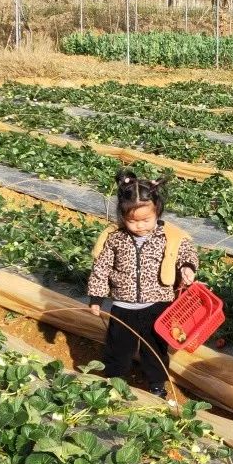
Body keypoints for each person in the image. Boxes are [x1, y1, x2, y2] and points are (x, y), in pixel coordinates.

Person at [87, 169, 199, 398]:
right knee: (118, 350)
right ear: (122, 216)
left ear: (157, 211)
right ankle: (113, 384)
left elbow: (186, 251)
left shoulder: (168, 236)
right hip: (123, 307)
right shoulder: (115, 238)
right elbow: (102, 268)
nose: (139, 226)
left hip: (158, 306)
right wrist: (96, 298)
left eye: (146, 220)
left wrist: (187, 267)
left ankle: (157, 385)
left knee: (155, 350)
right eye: (132, 221)